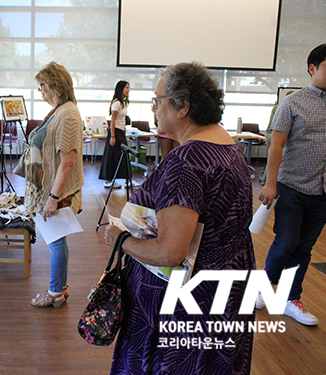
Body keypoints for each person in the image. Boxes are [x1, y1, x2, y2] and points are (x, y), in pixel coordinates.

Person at [103, 62, 255, 374]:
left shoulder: (186, 162)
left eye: (158, 102)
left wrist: (119, 240)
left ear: (182, 106)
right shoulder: (227, 147)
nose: (154, 109)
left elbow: (170, 252)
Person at [257, 44, 326, 326]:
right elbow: (276, 145)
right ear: (313, 68)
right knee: (286, 243)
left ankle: (289, 298)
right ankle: (264, 287)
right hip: (291, 186)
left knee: (304, 248)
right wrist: (270, 183)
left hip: (323, 192)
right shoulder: (292, 102)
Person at [25, 62, 84, 308]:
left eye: (42, 86)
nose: (40, 91)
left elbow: (68, 162)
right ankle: (60, 288)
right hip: (50, 189)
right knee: (58, 241)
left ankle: (54, 293)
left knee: (56, 242)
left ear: (56, 85)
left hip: (56, 192)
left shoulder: (68, 114)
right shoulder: (60, 109)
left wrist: (52, 197)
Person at [99, 80, 135, 188]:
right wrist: (113, 136)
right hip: (115, 132)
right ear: (121, 89)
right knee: (112, 156)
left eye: (129, 87)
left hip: (121, 131)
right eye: (126, 87)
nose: (128, 90)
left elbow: (122, 120)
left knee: (123, 156)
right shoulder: (117, 103)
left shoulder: (123, 103)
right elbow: (113, 121)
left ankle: (128, 181)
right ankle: (109, 181)